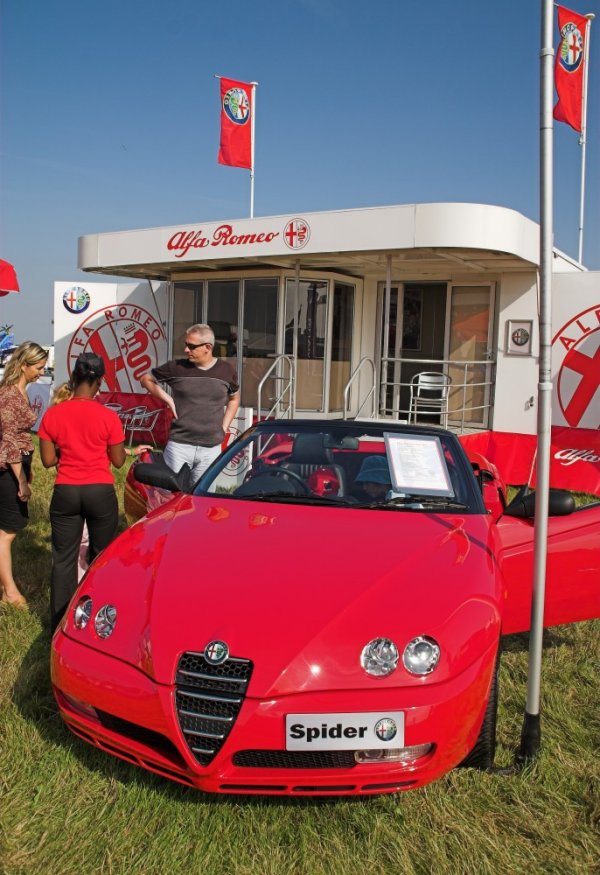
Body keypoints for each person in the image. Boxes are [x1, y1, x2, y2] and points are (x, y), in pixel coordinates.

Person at [38, 353, 127, 632]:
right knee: (100, 559)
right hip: (99, 492)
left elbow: (48, 461)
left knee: (63, 560)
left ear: (73, 377)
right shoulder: (108, 417)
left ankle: (59, 626)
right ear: (99, 382)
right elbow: (119, 461)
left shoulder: (53, 415)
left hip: (66, 491)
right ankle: (94, 624)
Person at [50, 381, 151, 582]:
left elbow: (51, 459)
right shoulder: (86, 420)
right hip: (94, 488)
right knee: (87, 544)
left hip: (67, 489)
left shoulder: (58, 419)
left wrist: (130, 451)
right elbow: (109, 454)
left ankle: (75, 582)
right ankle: (84, 583)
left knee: (74, 544)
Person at [139, 323, 240, 482]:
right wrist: (168, 399)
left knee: (201, 500)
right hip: (179, 446)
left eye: (191, 346)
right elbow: (145, 379)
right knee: (170, 495)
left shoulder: (227, 371)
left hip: (211, 448)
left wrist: (224, 427)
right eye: (186, 345)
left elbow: (234, 399)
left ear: (208, 347)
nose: (186, 350)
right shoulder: (176, 367)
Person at [0, 341, 48, 608]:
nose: (41, 372)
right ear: (24, 365)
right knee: (7, 532)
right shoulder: (9, 395)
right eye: (39, 368)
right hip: (9, 468)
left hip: (17, 465)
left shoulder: (19, 392)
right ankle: (9, 592)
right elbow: (8, 440)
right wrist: (21, 479)